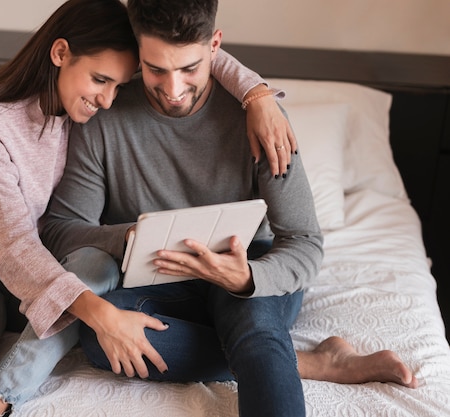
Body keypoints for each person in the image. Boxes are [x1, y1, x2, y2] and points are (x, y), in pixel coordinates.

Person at [0, 0, 297, 416]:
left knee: (95, 266)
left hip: (46, 269)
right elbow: (14, 251)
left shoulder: (85, 106)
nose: (107, 100)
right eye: (100, 80)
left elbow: (183, 55)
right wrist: (100, 313)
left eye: (117, 85)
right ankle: (285, 362)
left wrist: (256, 94)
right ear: (60, 53)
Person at [39, 1, 418, 416]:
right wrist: (127, 236)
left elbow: (305, 244)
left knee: (253, 324)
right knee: (99, 336)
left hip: (249, 270)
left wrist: (247, 279)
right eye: (156, 70)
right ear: (137, 51)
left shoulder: (260, 120)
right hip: (160, 281)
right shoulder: (105, 115)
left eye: (189, 69)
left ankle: (261, 345)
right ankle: (312, 361)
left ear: (215, 46)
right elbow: (60, 228)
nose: (174, 89)